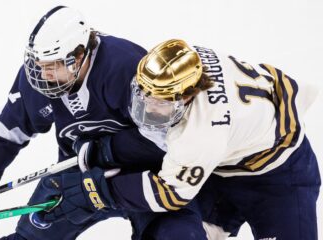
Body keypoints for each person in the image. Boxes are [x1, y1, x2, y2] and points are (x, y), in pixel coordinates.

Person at [0, 6, 207, 240]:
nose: (43, 75)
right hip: (77, 178)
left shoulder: (125, 67)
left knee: (180, 235)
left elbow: (166, 137)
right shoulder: (40, 79)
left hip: (145, 176)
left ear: (79, 55)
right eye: (38, 64)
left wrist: (107, 150)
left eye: (52, 65)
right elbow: (10, 129)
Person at [113, 39, 319, 239]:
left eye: (159, 101)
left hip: (279, 175)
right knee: (174, 233)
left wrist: (99, 192)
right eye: (145, 95)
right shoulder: (185, 64)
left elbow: (170, 194)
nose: (148, 108)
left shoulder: (201, 132)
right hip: (219, 167)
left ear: (186, 96)